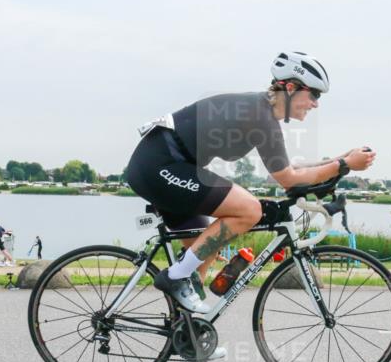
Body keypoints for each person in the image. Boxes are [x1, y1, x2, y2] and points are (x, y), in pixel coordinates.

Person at [125, 51, 375, 317]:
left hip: (169, 165)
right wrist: (345, 166)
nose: (315, 104)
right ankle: (174, 277)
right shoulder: (260, 115)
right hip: (161, 165)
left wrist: (342, 159)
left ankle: (187, 331)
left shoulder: (260, 113)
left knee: (204, 248)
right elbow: (288, 179)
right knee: (249, 209)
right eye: (314, 95)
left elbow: (288, 169)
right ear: (290, 88)